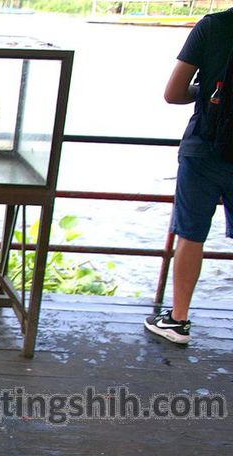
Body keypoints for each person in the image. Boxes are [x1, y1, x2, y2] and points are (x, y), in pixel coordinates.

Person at [145, 8, 233, 345]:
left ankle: (178, 320)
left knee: (191, 235)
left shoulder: (212, 27)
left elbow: (172, 93)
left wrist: (207, 90)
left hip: (204, 149)